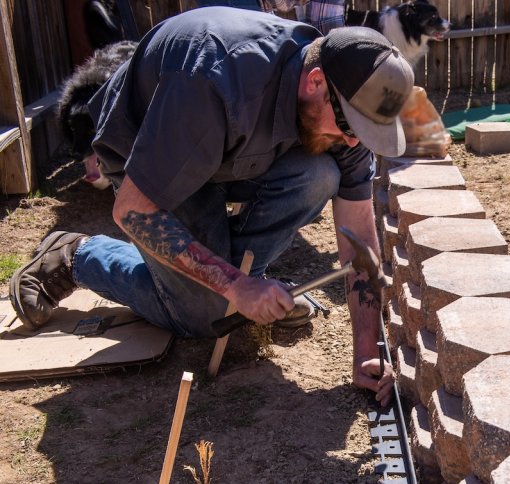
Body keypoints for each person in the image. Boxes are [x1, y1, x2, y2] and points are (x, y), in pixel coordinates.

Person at [9, 7, 414, 406]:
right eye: (349, 127)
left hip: (232, 151)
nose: (354, 142)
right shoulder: (216, 81)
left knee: (321, 174)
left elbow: (358, 235)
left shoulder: (343, 99)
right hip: (156, 162)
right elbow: (134, 210)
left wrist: (366, 348)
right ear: (314, 82)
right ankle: (77, 254)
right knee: (201, 316)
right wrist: (238, 287)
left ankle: (239, 289)